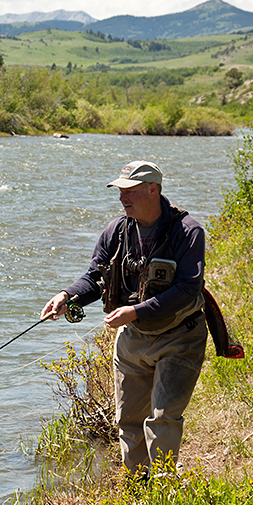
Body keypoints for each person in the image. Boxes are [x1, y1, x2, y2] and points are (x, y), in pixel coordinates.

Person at [39, 161, 207, 478]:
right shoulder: (116, 231)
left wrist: (136, 311)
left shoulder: (188, 232)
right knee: (128, 420)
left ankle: (163, 490)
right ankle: (136, 486)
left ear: (153, 189)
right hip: (133, 340)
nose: (122, 198)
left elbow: (188, 288)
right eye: (120, 191)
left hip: (180, 337)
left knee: (163, 416)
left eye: (129, 191)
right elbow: (95, 278)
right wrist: (67, 296)